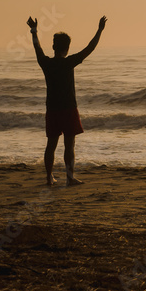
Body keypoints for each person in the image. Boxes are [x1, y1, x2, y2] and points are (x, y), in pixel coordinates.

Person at [28, 15, 107, 186]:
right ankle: (70, 178)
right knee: (69, 145)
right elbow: (90, 48)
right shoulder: (69, 62)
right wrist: (99, 29)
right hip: (69, 109)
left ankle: (49, 178)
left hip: (52, 109)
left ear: (54, 47)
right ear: (68, 48)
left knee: (51, 145)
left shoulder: (46, 63)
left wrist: (34, 31)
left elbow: (37, 48)